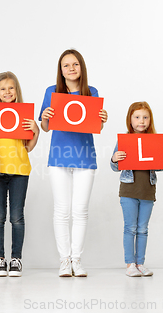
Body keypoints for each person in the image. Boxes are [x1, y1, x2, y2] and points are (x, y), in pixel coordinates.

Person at [39, 49, 108, 277]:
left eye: (75, 64)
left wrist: (102, 120)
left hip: (84, 156)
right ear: (61, 70)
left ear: (81, 67)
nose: (71, 69)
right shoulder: (52, 92)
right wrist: (46, 117)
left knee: (80, 210)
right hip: (59, 155)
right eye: (66, 65)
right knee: (62, 210)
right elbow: (45, 127)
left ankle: (76, 260)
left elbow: (95, 128)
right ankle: (64, 260)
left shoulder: (91, 92)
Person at [0, 71, 40, 277]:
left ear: (16, 90)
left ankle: (16, 259)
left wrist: (36, 131)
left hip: (19, 170)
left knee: (16, 217)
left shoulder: (22, 116)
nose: (7, 92)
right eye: (2, 88)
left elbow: (28, 147)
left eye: (11, 88)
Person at [110, 101, 163, 277]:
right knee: (130, 227)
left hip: (147, 191)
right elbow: (115, 167)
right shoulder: (124, 140)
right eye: (137, 117)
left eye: (145, 117)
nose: (141, 121)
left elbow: (159, 165)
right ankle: (130, 264)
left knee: (143, 229)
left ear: (150, 120)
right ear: (130, 120)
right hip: (129, 191)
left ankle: (140, 263)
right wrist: (115, 158)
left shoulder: (154, 140)